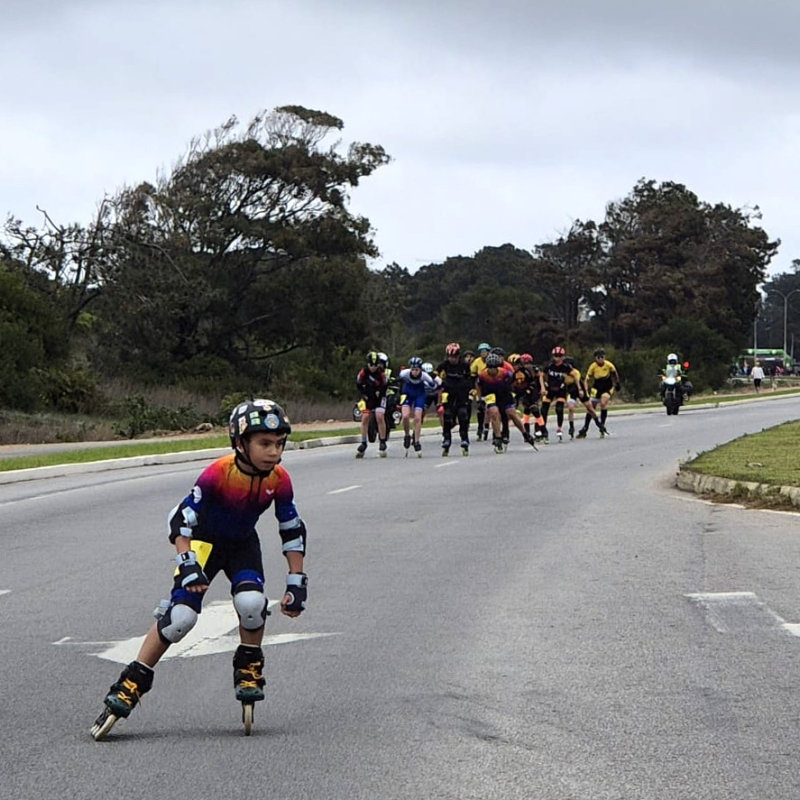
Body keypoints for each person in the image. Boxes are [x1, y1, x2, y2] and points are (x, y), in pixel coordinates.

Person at [90, 399, 308, 741]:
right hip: (203, 545)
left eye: (279, 443)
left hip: (241, 546)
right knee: (180, 619)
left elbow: (292, 529)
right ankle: (131, 682)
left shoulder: (279, 479)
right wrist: (187, 561)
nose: (274, 452)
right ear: (240, 443)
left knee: (252, 605)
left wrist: (296, 580)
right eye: (265, 443)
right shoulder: (219, 473)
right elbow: (180, 519)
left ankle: (249, 667)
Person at [435, 342, 473, 455]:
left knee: (462, 415)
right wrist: (438, 383)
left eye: (454, 357)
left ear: (458, 356)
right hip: (449, 393)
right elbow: (435, 374)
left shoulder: (464, 365)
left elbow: (470, 380)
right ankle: (446, 439)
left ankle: (464, 438)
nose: (452, 359)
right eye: (450, 357)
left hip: (461, 393)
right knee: (447, 416)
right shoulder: (444, 365)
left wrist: (470, 392)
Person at [398, 356, 439, 456]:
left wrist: (434, 382)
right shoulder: (404, 373)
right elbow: (398, 380)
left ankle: (416, 441)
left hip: (419, 395)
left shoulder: (425, 376)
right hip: (407, 393)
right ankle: (407, 435)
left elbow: (434, 385)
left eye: (416, 370)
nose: (414, 372)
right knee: (405, 416)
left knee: (417, 417)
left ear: (420, 369)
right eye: (413, 369)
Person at [355, 351, 389, 458]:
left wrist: (379, 391)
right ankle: (363, 442)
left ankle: (382, 441)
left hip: (379, 398)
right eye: (371, 365)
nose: (373, 368)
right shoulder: (363, 373)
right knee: (365, 418)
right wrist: (363, 394)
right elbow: (358, 384)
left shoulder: (381, 373)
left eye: (375, 365)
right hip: (368, 397)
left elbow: (385, 385)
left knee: (379, 416)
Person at [580, 348, 621, 437]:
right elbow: (587, 379)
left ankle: (602, 425)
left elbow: (615, 373)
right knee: (591, 407)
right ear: (595, 358)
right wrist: (585, 390)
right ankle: (585, 427)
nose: (600, 359)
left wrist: (617, 383)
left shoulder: (609, 365)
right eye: (598, 357)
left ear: (605, 357)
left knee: (603, 403)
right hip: (597, 387)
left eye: (602, 357)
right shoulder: (593, 366)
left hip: (607, 387)